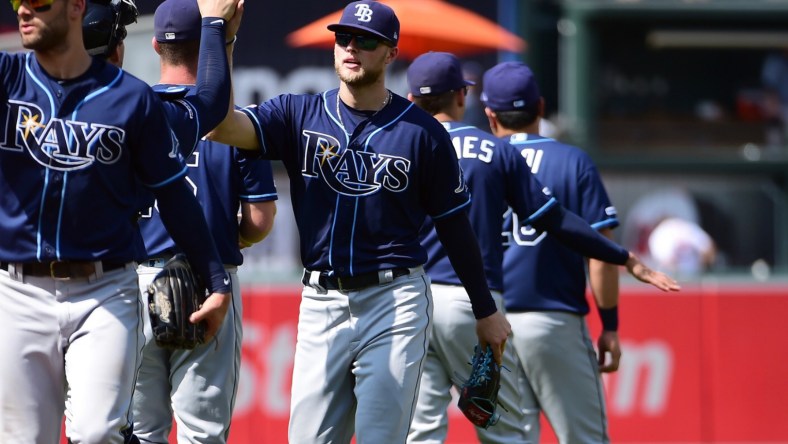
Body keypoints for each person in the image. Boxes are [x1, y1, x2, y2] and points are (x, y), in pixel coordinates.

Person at [207, 1, 511, 442]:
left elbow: (453, 226)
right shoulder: (298, 113)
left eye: (366, 41)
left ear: (390, 54)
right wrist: (221, 35)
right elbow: (218, 125)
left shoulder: (422, 133)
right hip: (320, 300)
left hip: (395, 299)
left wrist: (485, 310)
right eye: (343, 37)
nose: (352, 47)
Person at [404, 52, 680, 443]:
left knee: (418, 434)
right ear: (462, 97)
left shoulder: (394, 149)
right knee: (509, 434)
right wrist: (624, 258)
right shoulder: (496, 152)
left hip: (408, 302)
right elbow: (553, 218)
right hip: (480, 306)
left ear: (411, 100)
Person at [0, 0, 233, 442]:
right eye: (18, 3)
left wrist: (216, 280)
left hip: (103, 288)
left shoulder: (132, 99)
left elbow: (174, 194)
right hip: (17, 289)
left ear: (74, 7)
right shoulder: (9, 81)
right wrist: (220, 27)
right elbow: (211, 100)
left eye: (39, 3)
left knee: (97, 431)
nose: (24, 11)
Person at [83, 0, 278, 442]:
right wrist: (231, 238)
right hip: (210, 287)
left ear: (154, 45)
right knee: (201, 433)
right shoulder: (237, 123)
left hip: (132, 282)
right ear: (211, 42)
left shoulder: (126, 110)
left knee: (139, 430)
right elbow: (259, 218)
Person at [482, 60, 631, 443]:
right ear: (541, 108)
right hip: (553, 320)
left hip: (490, 322)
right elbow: (601, 253)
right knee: (585, 438)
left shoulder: (477, 162)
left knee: (513, 438)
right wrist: (610, 326)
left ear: (490, 115)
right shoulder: (573, 161)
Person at [648, 216, 716, 277]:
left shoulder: (660, 233)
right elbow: (709, 250)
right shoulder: (687, 226)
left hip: (685, 278)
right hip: (692, 276)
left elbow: (709, 251)